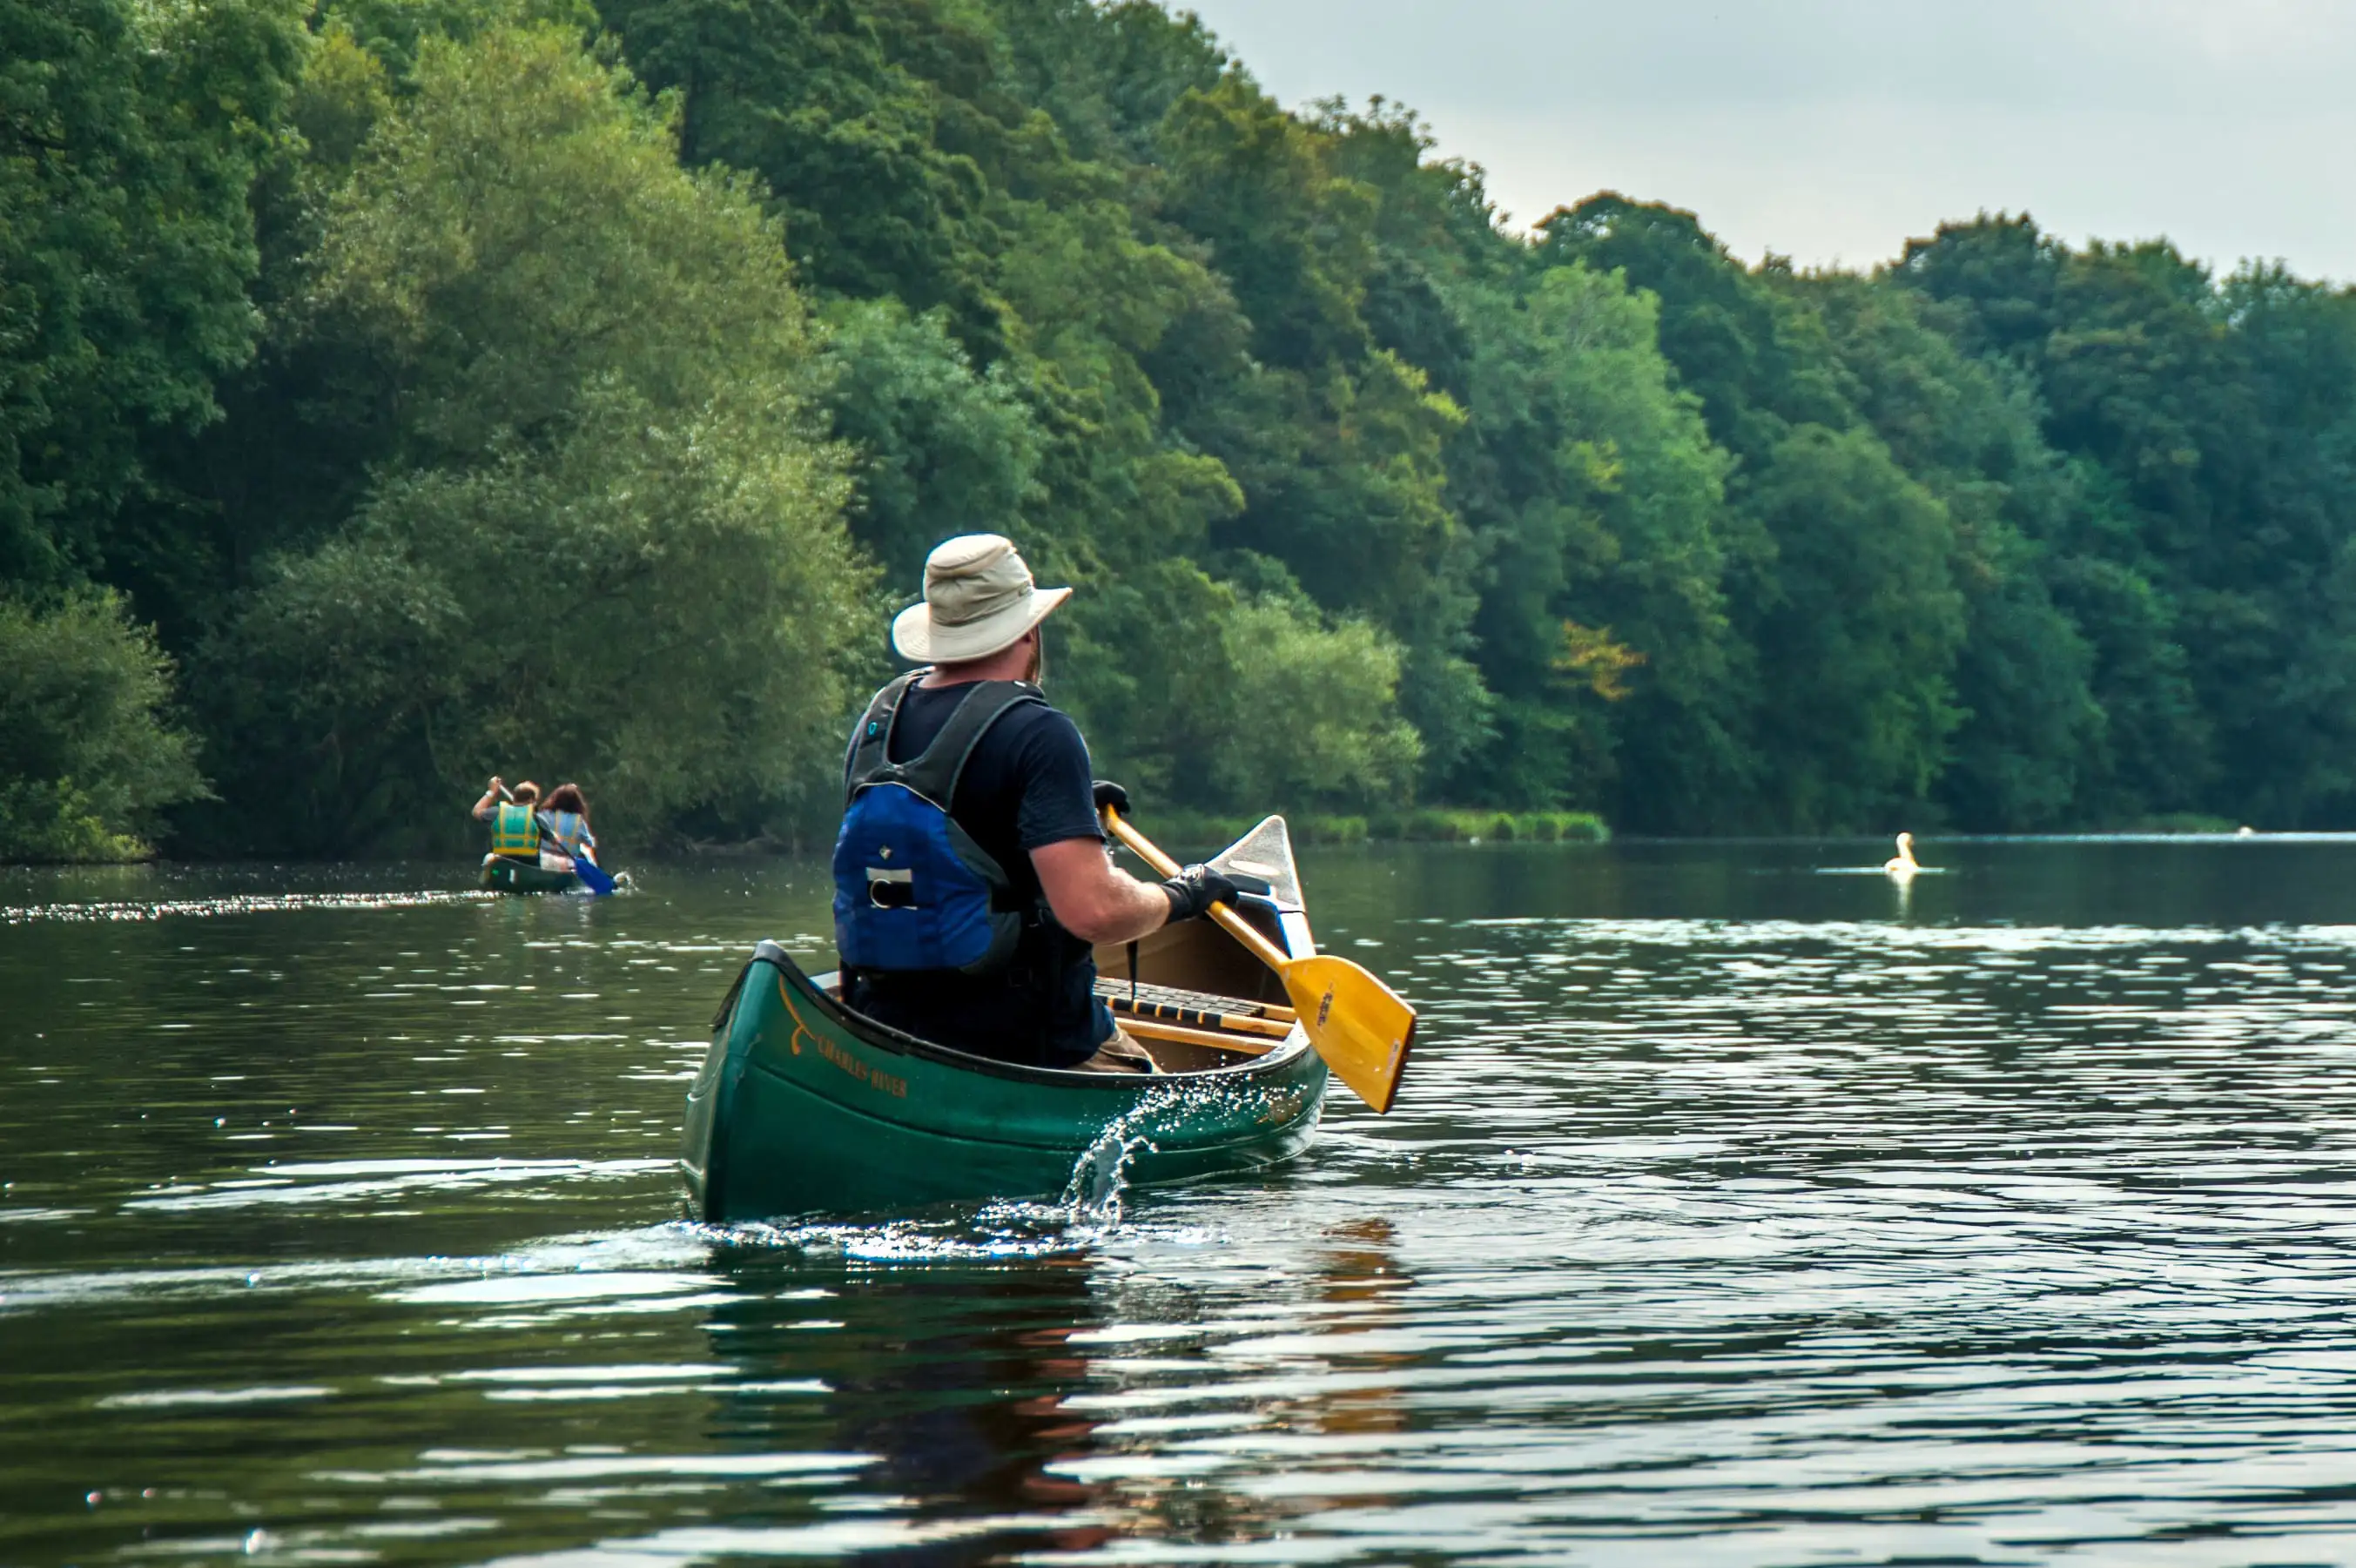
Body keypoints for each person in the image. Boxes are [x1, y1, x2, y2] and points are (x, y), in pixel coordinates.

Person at [833, 533, 1240, 1073]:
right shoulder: (1040, 734)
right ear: (1028, 628)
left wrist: (1060, 812)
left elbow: (936, 844)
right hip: (1027, 1043)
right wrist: (1179, 897)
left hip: (883, 1030)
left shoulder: (878, 721)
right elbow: (1096, 914)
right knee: (1167, 1112)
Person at [472, 777, 542, 865]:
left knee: (489, 858)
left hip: (502, 860)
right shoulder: (537, 818)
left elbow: (476, 811)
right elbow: (554, 841)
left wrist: (492, 792)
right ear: (531, 800)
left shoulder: (498, 813)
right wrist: (555, 837)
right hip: (529, 863)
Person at [537, 783, 597, 873]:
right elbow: (590, 844)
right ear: (577, 803)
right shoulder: (579, 820)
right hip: (566, 863)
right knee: (586, 850)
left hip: (543, 859)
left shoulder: (543, 815)